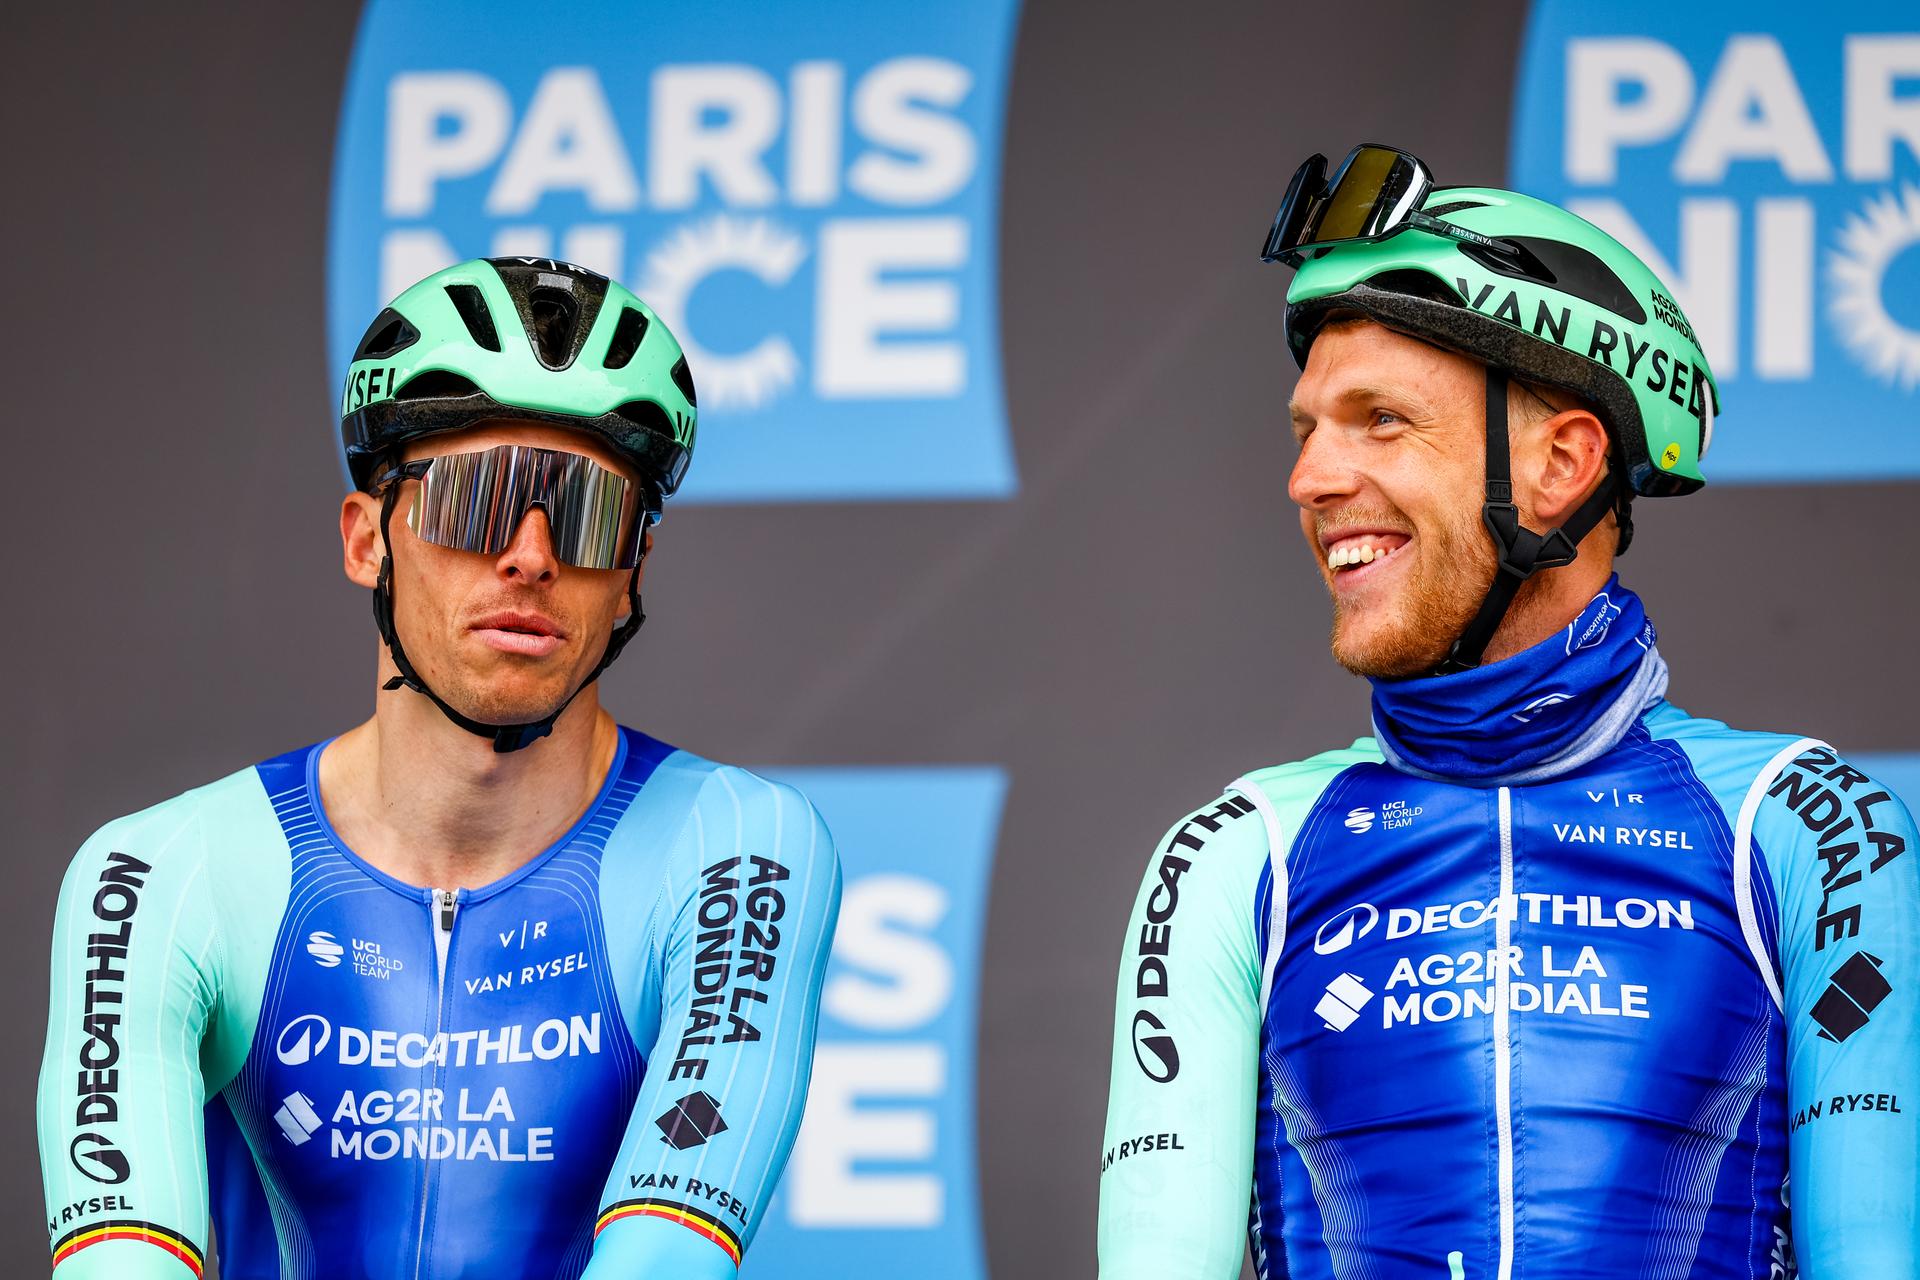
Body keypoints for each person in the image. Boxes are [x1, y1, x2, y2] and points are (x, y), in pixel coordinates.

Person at [1097, 145, 1916, 1278]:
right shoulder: (1236, 850)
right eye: (1307, 428)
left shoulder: (1807, 825)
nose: (1311, 478)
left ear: (1563, 464)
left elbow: (1874, 1250)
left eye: (1380, 420)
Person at [38, 257, 842, 1280]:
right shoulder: (162, 870)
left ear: (633, 572)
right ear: (367, 538)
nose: (531, 554)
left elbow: (665, 1259)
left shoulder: (737, 845)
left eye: (588, 510)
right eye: (479, 497)